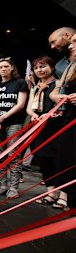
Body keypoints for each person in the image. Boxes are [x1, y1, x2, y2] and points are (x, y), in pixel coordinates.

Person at [26, 56, 67, 210]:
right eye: (36, 68)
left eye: (42, 67)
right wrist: (33, 114)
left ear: (52, 67)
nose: (39, 70)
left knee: (59, 162)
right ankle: (51, 194)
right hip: (40, 128)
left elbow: (62, 106)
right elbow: (29, 107)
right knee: (43, 161)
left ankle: (63, 195)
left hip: (57, 128)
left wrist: (49, 114)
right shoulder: (36, 87)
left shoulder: (58, 84)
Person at [0, 57, 28, 199]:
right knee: (0, 155)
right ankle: (3, 185)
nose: (3, 69)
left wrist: (2, 117)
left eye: (6, 66)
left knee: (14, 155)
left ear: (11, 68)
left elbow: (20, 104)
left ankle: (13, 188)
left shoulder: (20, 83)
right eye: (0, 67)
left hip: (14, 122)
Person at [50, 33, 76, 211]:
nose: (71, 46)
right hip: (71, 116)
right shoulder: (70, 67)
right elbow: (54, 93)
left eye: (75, 42)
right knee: (67, 157)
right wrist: (64, 97)